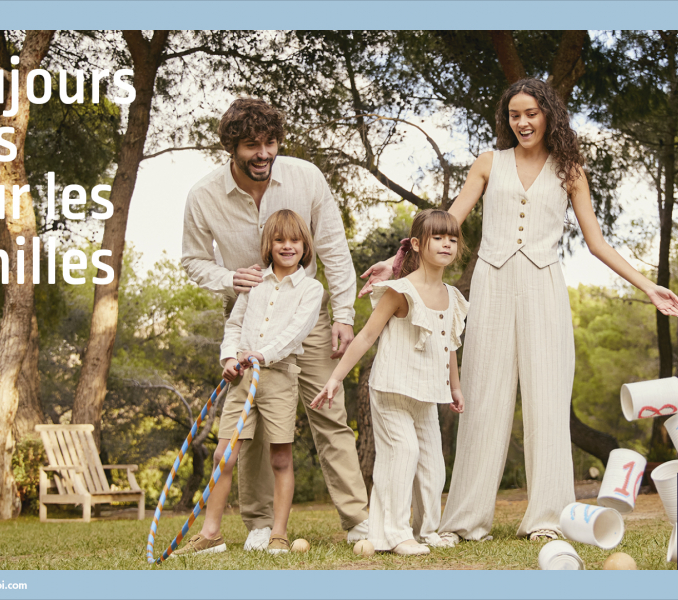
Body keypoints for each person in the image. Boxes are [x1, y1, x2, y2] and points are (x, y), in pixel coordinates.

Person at [359, 79, 678, 544]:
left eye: (531, 113)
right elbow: (446, 223)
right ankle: (466, 521)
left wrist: (648, 286)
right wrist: (398, 263)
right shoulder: (488, 163)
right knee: (481, 398)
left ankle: (547, 518)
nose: (523, 122)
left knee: (547, 401)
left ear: (548, 114)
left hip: (543, 288)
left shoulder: (570, 171)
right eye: (514, 115)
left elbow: (596, 243)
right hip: (491, 285)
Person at [181, 98, 370, 551]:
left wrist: (344, 315)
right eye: (252, 145)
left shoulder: (306, 177)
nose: (263, 153)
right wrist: (230, 279)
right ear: (231, 147)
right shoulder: (204, 195)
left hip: (308, 316)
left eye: (270, 142)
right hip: (250, 320)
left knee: (330, 414)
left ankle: (359, 520)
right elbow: (192, 260)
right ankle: (261, 525)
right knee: (253, 428)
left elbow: (334, 249)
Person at [312, 210, 468, 556]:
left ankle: (426, 531)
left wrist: (454, 387)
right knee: (403, 453)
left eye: (452, 238)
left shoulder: (452, 296)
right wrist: (335, 378)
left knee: (432, 465)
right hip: (391, 389)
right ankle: (395, 534)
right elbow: (367, 336)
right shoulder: (400, 291)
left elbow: (449, 346)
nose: (446, 244)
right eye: (438, 237)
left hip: (426, 393)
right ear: (417, 244)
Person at [175, 210, 323, 556]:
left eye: (295, 240)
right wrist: (229, 358)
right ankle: (211, 534)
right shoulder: (255, 282)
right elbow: (234, 325)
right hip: (242, 378)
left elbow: (295, 332)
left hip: (279, 378)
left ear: (305, 246)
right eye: (279, 240)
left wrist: (262, 354)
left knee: (280, 458)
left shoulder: (311, 289)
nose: (287, 246)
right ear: (268, 245)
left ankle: (278, 533)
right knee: (223, 456)